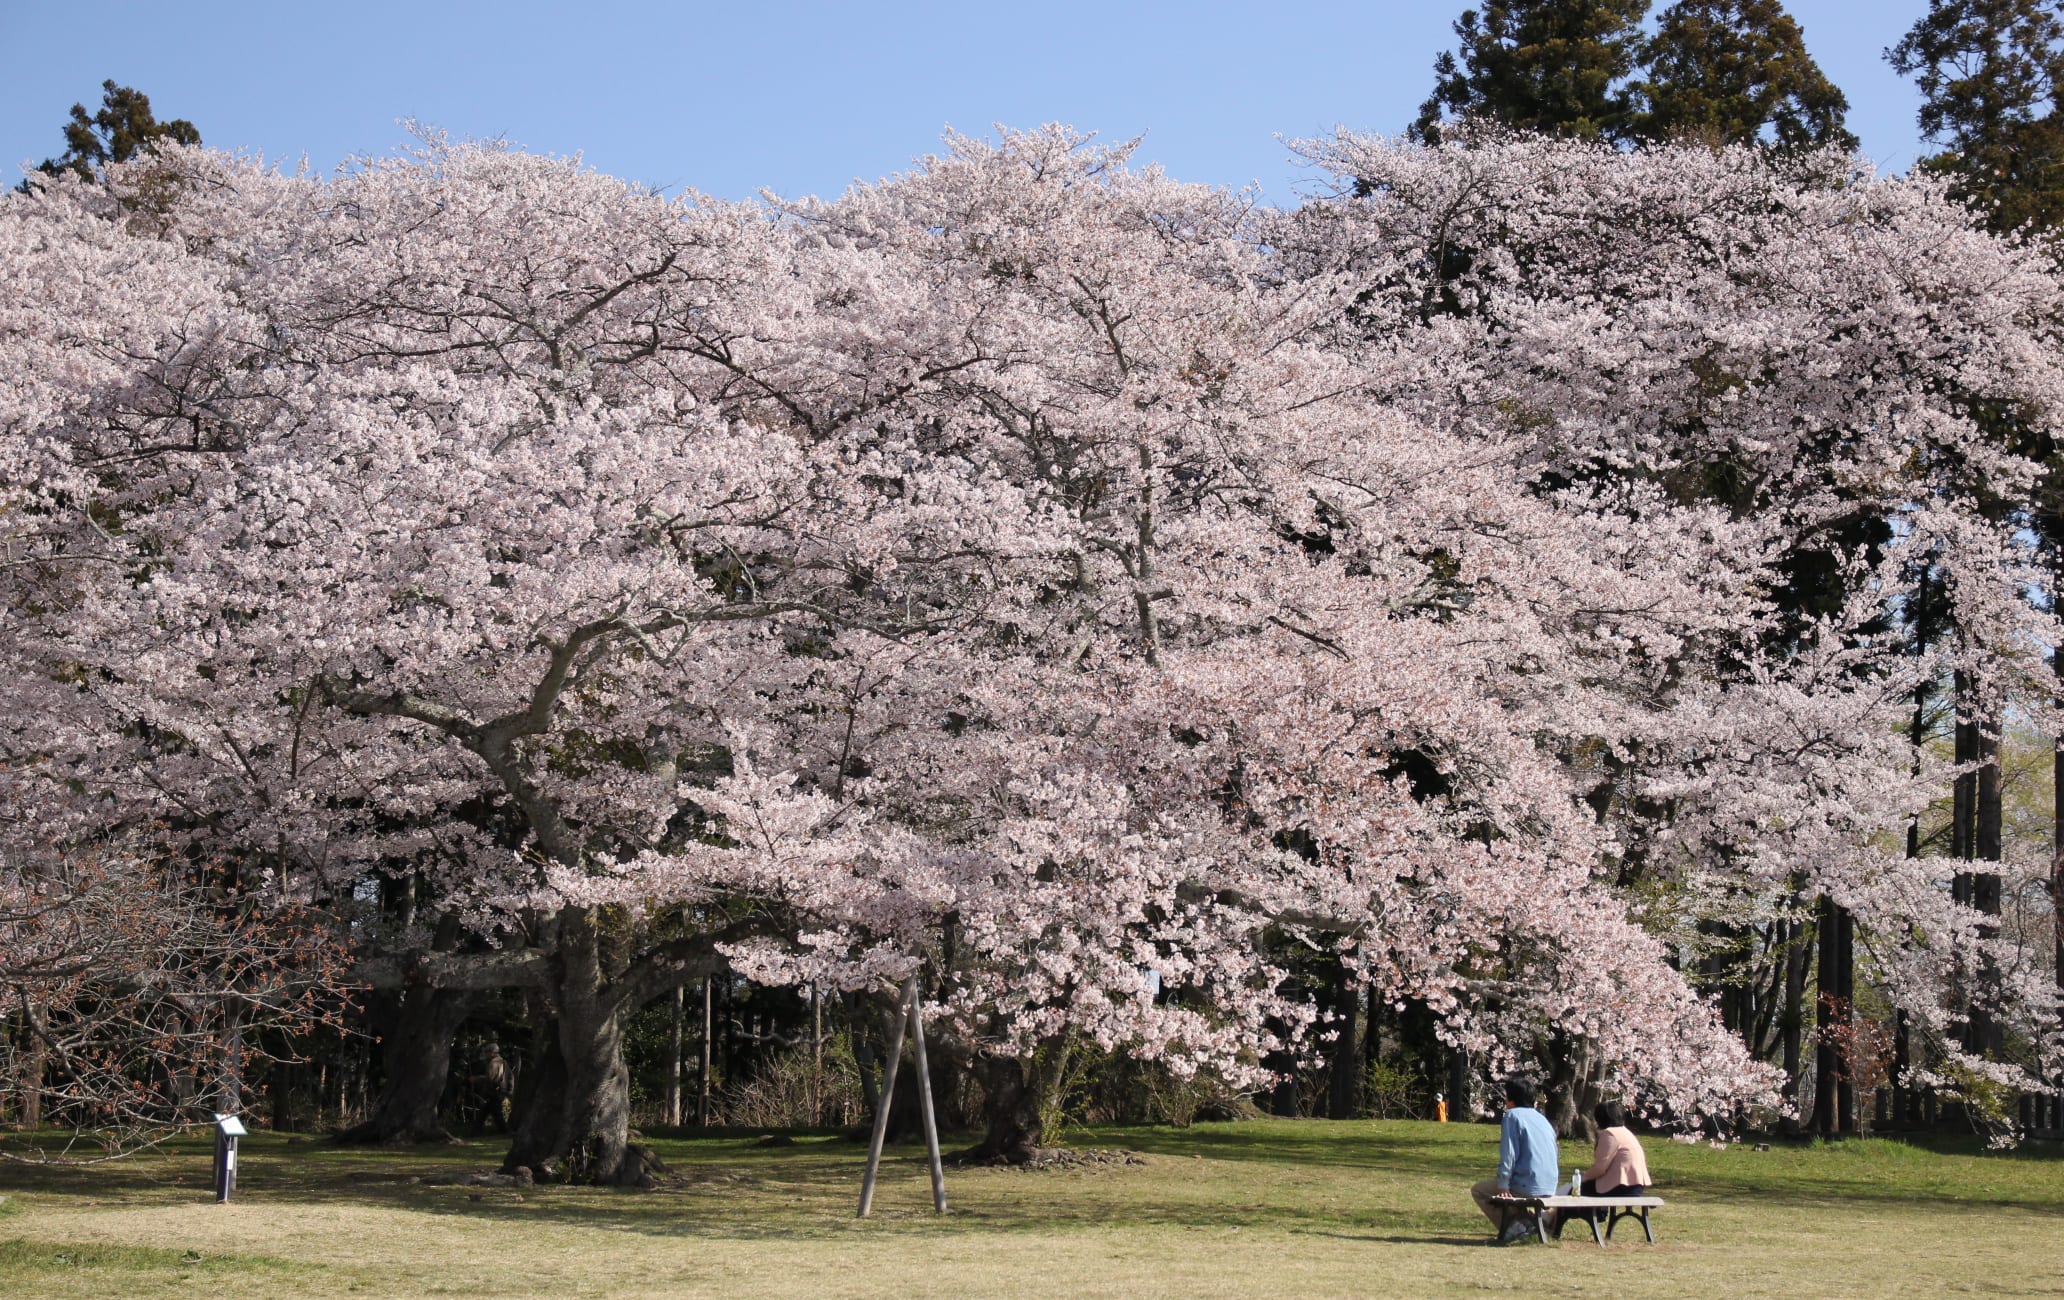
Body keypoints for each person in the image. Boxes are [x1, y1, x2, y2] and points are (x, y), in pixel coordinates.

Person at [1470, 1078, 1559, 1245]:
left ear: (1510, 1099)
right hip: (1549, 1184)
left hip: (1527, 1184)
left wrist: (1503, 1183)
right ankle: (1531, 1224)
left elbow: (1509, 1154)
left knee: (1479, 1191)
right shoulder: (1542, 1119)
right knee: (1511, 1197)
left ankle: (1515, 1229)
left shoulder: (1512, 1116)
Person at [1578, 1100, 1651, 1196]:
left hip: (1621, 1185)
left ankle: (1558, 1211)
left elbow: (1600, 1168)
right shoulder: (1626, 1132)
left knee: (1576, 1189)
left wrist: (1583, 1177)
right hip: (1637, 1185)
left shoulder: (1610, 1134)